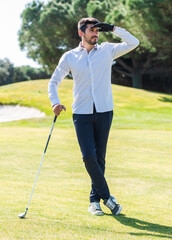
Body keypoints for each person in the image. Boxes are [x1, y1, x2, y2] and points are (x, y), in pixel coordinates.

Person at [48, 17, 139, 216]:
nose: (96, 34)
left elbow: (134, 42)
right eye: (91, 30)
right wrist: (55, 102)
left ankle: (94, 201)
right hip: (81, 113)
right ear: (81, 33)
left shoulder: (107, 49)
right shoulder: (70, 57)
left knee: (100, 158)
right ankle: (107, 198)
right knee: (88, 156)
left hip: (104, 111)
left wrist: (114, 28)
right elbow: (54, 82)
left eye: (98, 31)